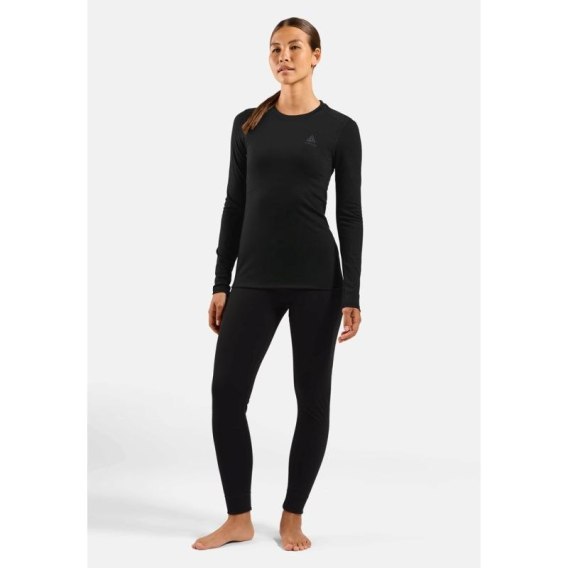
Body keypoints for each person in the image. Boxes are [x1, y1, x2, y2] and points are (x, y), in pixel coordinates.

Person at [192, 16, 363, 552]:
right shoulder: (249, 124)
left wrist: (352, 293)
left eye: (293, 47)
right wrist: (221, 281)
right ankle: (238, 517)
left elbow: (350, 214)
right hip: (254, 280)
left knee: (311, 402)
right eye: (274, 49)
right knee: (226, 395)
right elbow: (233, 205)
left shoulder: (340, 129)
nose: (283, 56)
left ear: (316, 55)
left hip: (317, 282)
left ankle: (292, 516)